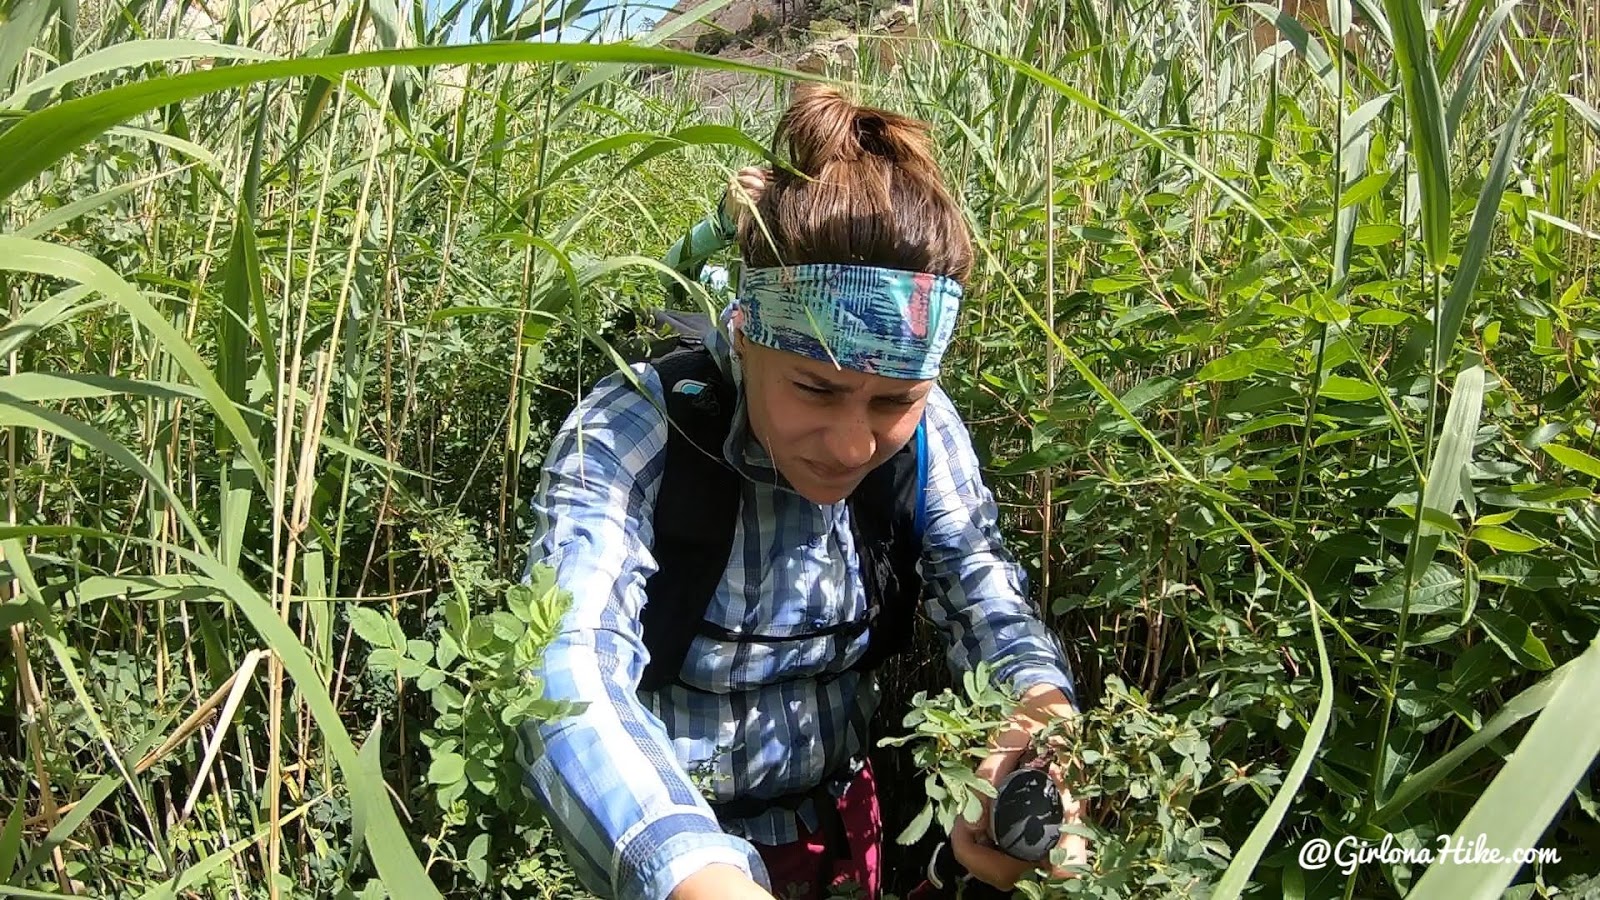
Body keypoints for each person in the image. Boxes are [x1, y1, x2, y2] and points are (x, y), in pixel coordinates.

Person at [516, 85, 1087, 900]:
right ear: (745, 333)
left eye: (893, 400)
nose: (855, 445)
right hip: (680, 847)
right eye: (815, 390)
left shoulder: (929, 434)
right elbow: (568, 666)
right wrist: (695, 877)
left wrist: (1037, 728)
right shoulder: (631, 432)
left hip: (848, 835)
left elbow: (984, 595)